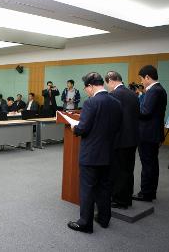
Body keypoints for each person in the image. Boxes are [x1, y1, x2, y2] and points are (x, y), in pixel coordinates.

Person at [67, 72, 122, 234]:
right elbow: (117, 127)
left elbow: (83, 128)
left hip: (91, 154)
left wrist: (74, 127)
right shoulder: (116, 102)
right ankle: (104, 219)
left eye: (86, 88)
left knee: (88, 189)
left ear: (91, 86)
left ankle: (85, 223)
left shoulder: (91, 103)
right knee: (105, 187)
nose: (86, 92)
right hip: (109, 153)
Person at [105, 71, 140, 209]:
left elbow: (111, 119)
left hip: (119, 139)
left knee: (118, 170)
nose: (108, 87)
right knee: (128, 169)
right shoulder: (133, 94)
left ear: (111, 81)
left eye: (107, 84)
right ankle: (127, 197)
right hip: (132, 138)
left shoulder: (113, 95)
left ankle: (119, 200)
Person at [132, 65, 167, 202]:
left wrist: (132, 110)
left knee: (147, 164)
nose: (141, 82)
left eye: (141, 78)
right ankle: (151, 192)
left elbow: (145, 112)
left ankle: (145, 193)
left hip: (147, 134)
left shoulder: (153, 91)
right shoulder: (160, 89)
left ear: (147, 77)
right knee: (152, 163)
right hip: (154, 133)